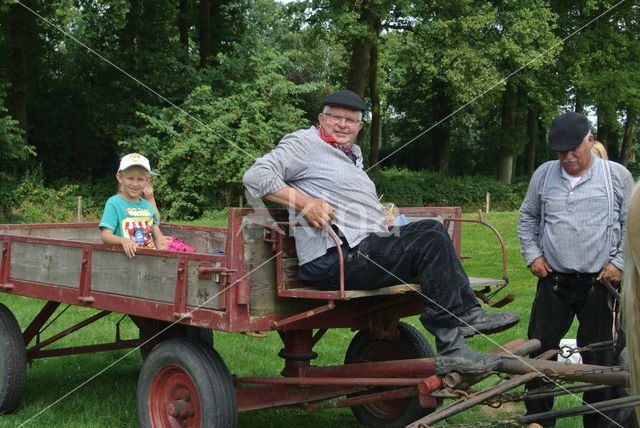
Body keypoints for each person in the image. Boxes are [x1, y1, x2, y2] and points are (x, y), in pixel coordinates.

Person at [243, 89, 519, 374]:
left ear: (360, 127)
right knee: (431, 235)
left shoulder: (352, 154)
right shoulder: (304, 143)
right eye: (335, 117)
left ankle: (466, 318)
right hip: (332, 259)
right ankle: (456, 339)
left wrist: (382, 219)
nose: (342, 124)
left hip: (362, 248)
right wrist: (305, 203)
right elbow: (256, 176)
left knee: (432, 230)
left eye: (350, 120)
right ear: (321, 118)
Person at [517, 112, 635, 427]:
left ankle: (598, 423)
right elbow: (527, 216)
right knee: (541, 355)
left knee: (601, 361)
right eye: (560, 152)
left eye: (573, 150)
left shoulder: (616, 176)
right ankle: (538, 420)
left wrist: (619, 263)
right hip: (553, 282)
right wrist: (533, 255)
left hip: (601, 284)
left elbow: (631, 225)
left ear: (590, 141)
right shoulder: (543, 175)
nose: (567, 157)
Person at [99, 153, 168, 258]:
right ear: (120, 177)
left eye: (140, 179)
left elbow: (155, 230)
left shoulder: (147, 205)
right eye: (130, 178)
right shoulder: (114, 203)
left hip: (149, 260)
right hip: (125, 261)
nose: (135, 184)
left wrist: (162, 245)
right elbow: (105, 235)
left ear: (148, 180)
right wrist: (123, 240)